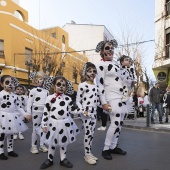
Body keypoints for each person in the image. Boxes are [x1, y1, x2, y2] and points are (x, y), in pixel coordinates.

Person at [95, 39, 129, 160]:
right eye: (107, 48)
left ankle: (113, 146)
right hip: (111, 97)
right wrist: (104, 102)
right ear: (102, 52)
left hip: (122, 97)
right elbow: (99, 84)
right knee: (114, 123)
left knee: (119, 123)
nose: (111, 50)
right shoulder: (99, 65)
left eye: (112, 48)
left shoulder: (115, 64)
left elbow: (123, 80)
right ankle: (106, 148)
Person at [40, 76, 83, 169]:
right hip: (53, 123)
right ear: (53, 86)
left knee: (64, 142)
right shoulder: (49, 98)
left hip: (65, 123)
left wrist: (82, 110)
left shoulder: (68, 99)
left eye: (64, 85)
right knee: (52, 142)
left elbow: (72, 110)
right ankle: (49, 159)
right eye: (59, 84)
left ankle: (63, 159)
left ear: (66, 87)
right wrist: (43, 124)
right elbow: (46, 112)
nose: (61, 87)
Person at [0, 75, 30, 160]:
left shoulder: (15, 96)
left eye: (12, 82)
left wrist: (25, 114)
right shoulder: (0, 94)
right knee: (2, 135)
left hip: (12, 116)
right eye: (7, 82)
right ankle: (1, 151)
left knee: (11, 134)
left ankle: (10, 150)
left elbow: (18, 107)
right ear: (2, 84)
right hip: (2, 117)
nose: (10, 84)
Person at [76, 62, 100, 165]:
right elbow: (77, 101)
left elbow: (96, 100)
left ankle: (89, 152)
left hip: (94, 112)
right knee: (88, 133)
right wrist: (82, 110)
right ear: (86, 73)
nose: (92, 73)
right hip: (86, 112)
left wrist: (104, 106)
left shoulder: (96, 86)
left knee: (92, 134)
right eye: (90, 71)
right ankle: (87, 154)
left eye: (94, 71)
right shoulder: (82, 85)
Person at [27, 72, 49, 154]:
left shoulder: (46, 91)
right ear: (36, 80)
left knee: (44, 129)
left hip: (45, 112)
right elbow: (29, 102)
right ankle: (33, 146)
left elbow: (48, 103)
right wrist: (28, 113)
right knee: (35, 129)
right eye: (40, 79)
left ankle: (42, 145)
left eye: (43, 79)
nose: (42, 81)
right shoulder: (33, 91)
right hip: (36, 111)